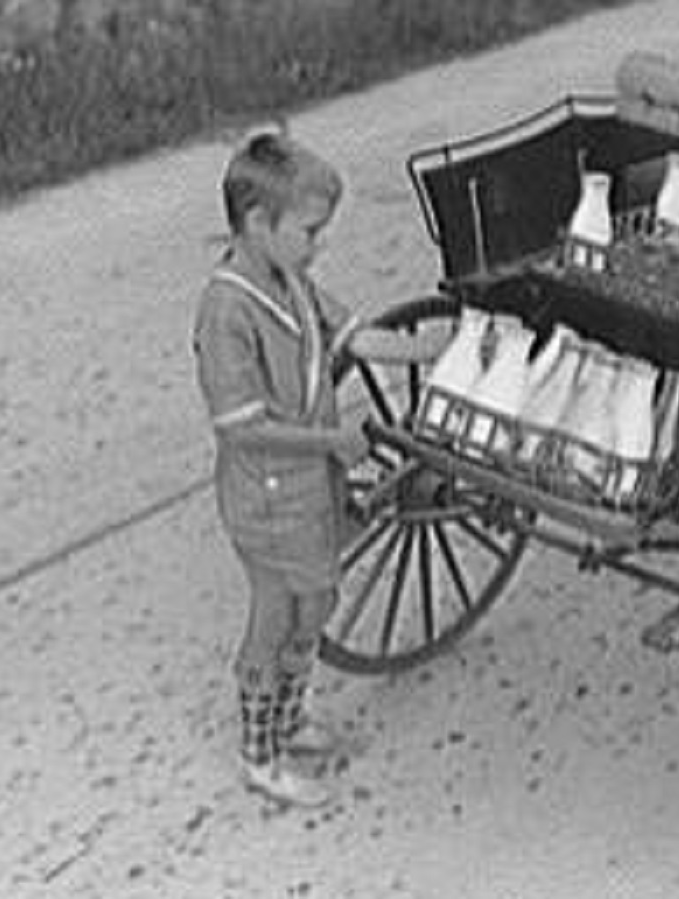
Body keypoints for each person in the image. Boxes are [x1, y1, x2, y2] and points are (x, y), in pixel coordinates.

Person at [193, 124, 448, 806]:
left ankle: (290, 715)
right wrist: (333, 441)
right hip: (267, 496)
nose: (318, 244)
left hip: (308, 490)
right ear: (257, 223)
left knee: (318, 602)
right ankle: (260, 752)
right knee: (277, 614)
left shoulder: (292, 281)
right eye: (309, 230)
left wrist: (433, 351)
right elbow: (244, 428)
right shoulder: (227, 311)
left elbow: (356, 338)